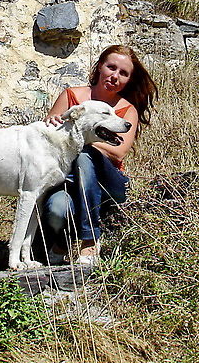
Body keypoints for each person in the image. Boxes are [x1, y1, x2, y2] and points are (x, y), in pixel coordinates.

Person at [42, 45, 158, 265]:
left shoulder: (127, 110)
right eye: (111, 67)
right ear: (100, 67)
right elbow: (48, 137)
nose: (115, 76)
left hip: (109, 184)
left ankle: (90, 239)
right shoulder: (71, 96)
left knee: (86, 154)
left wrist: (81, 140)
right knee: (56, 209)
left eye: (123, 73)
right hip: (68, 183)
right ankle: (63, 241)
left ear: (128, 80)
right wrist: (52, 124)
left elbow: (119, 152)